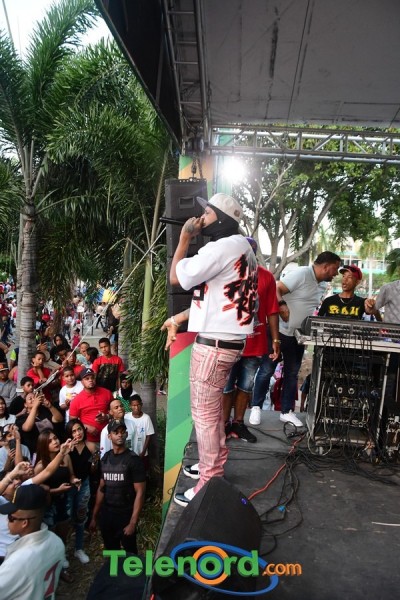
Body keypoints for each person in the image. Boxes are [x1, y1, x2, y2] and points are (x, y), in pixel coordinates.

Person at [163, 192, 258, 507]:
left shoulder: (221, 248)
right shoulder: (243, 247)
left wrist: (184, 238)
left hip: (214, 345)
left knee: (204, 415)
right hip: (229, 341)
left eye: (207, 213)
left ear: (221, 218)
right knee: (213, 411)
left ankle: (208, 481)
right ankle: (212, 465)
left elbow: (176, 277)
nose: (202, 218)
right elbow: (216, 298)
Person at [222, 237, 280, 438]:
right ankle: (223, 425)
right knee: (226, 387)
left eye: (251, 252)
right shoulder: (227, 273)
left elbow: (272, 310)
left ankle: (238, 423)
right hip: (229, 342)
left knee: (245, 386)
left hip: (255, 343)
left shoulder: (266, 277)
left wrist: (276, 340)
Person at [276, 251, 341, 427]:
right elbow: (276, 288)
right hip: (280, 331)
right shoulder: (301, 273)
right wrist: (282, 305)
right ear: (325, 266)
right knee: (266, 370)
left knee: (292, 373)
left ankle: (286, 411)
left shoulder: (322, 285)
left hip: (299, 335)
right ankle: (256, 407)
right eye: (335, 269)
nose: (336, 273)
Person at [89, 419, 146, 553]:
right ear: (109, 436)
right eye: (116, 432)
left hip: (125, 514)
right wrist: (94, 516)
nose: (120, 435)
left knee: (130, 555)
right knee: (111, 552)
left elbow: (140, 492)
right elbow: (102, 489)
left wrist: (132, 522)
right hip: (107, 514)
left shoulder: (133, 460)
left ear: (126, 434)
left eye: (122, 432)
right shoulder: (105, 459)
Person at [0, 484, 65, 599]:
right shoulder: (57, 541)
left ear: (24, 523)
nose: (6, 520)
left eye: (10, 517)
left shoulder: (17, 563)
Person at [65, 419, 92, 565]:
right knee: (67, 517)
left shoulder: (91, 446)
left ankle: (79, 548)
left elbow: (92, 470)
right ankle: (62, 551)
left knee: (81, 516)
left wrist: (94, 463)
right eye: (74, 431)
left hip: (85, 484)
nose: (77, 433)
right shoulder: (67, 448)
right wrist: (66, 451)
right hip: (69, 486)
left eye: (79, 429)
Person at [69, 367, 112, 452]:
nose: (90, 380)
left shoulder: (107, 393)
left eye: (92, 378)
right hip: (90, 441)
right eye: (87, 378)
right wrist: (86, 427)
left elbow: (115, 410)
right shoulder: (77, 400)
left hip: (109, 437)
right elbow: (72, 421)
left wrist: (107, 416)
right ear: (82, 382)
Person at [125, 395, 154, 472]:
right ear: (130, 406)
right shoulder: (126, 417)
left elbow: (148, 436)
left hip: (142, 453)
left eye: (138, 405)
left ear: (141, 404)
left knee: (142, 472)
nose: (136, 408)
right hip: (129, 453)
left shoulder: (146, 418)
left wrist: (143, 452)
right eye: (134, 405)